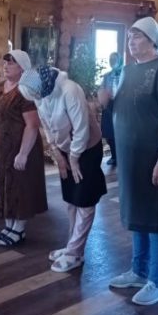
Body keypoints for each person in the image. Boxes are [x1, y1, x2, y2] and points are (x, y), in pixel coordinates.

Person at [100, 16, 158, 305]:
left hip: (154, 159)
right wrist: (107, 101)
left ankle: (157, 282)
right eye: (129, 37)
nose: (131, 41)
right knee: (138, 215)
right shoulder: (127, 70)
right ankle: (139, 270)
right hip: (130, 160)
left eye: (137, 36)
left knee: (157, 218)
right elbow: (122, 107)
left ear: (152, 40)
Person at [19, 65, 107, 273]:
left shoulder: (70, 90)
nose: (36, 99)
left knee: (84, 200)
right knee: (71, 199)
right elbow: (47, 126)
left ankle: (75, 252)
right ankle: (72, 247)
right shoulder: (41, 93)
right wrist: (58, 154)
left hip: (87, 148)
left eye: (35, 96)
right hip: (66, 149)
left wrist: (74, 158)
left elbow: (82, 128)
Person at [0, 50, 47, 246]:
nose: (6, 66)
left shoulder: (25, 91)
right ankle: (9, 226)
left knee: (19, 187)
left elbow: (32, 125)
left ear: (22, 67)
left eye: (11, 63)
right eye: (5, 62)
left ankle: (18, 229)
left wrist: (23, 154)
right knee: (3, 186)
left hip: (19, 149)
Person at [98, 52, 122, 167]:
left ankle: (121, 157)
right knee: (109, 133)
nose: (112, 61)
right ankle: (114, 157)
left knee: (120, 133)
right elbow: (102, 89)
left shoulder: (125, 74)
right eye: (110, 59)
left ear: (119, 60)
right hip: (108, 105)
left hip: (121, 106)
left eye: (114, 59)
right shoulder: (106, 76)